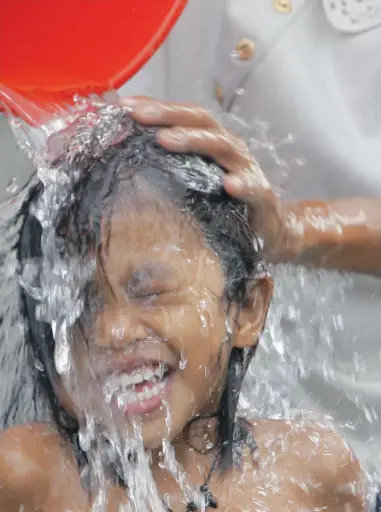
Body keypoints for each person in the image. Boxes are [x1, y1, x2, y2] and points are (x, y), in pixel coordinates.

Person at [0, 106, 366, 511]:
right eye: (77, 305)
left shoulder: (309, 471)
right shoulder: (31, 475)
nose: (112, 330)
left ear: (246, 308)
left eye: (150, 291)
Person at [115, 0, 381, 474]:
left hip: (346, 398)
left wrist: (289, 231)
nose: (111, 329)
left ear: (253, 307)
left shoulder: (325, 472)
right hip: (137, 402)